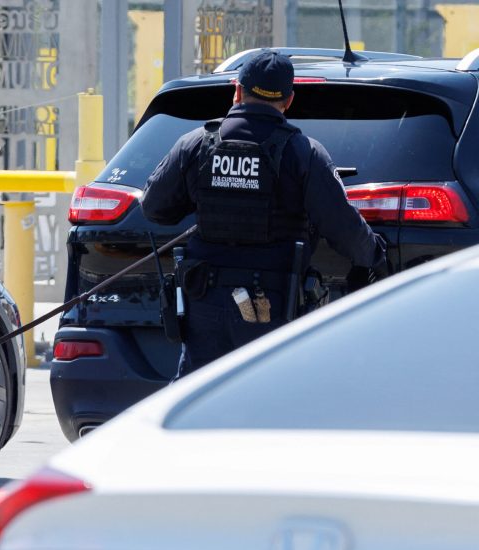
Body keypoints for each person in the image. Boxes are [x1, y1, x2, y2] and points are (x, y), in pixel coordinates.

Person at [141, 49, 387, 377]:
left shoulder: (195, 144)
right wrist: (376, 254)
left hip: (205, 299)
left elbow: (154, 207)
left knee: (197, 405)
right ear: (289, 100)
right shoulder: (304, 153)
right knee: (268, 403)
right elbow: (343, 229)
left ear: (237, 91)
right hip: (269, 305)